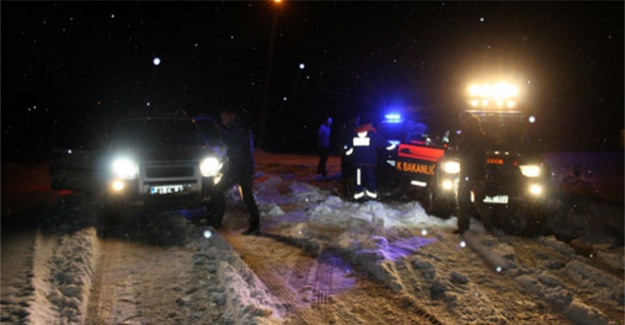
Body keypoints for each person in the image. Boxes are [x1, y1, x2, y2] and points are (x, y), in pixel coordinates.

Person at [211, 105, 261, 236]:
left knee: (222, 190)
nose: (223, 120)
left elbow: (235, 147)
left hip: (241, 168)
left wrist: (221, 131)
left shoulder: (238, 129)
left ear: (232, 115)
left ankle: (216, 221)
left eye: (225, 117)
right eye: (221, 118)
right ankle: (216, 220)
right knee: (242, 195)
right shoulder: (237, 127)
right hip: (241, 167)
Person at [451, 111, 489, 234]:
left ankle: (464, 226)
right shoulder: (480, 134)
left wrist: (455, 154)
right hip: (478, 172)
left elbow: (463, 152)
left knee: (463, 199)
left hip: (468, 171)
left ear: (464, 120)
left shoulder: (468, 134)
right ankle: (489, 225)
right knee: (479, 200)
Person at [344, 116, 396, 202]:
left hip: (358, 162)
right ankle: (371, 194)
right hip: (370, 162)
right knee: (370, 178)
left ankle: (358, 195)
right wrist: (394, 147)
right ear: (369, 124)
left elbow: (348, 149)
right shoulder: (373, 135)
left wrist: (349, 154)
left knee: (358, 178)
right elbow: (385, 144)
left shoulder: (354, 135)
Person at [338, 115, 359, 197]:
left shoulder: (346, 128)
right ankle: (349, 190)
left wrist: (342, 151)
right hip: (351, 156)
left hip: (347, 155)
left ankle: (346, 190)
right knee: (350, 174)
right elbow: (340, 141)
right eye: (356, 119)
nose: (357, 121)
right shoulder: (353, 129)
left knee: (347, 174)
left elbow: (339, 141)